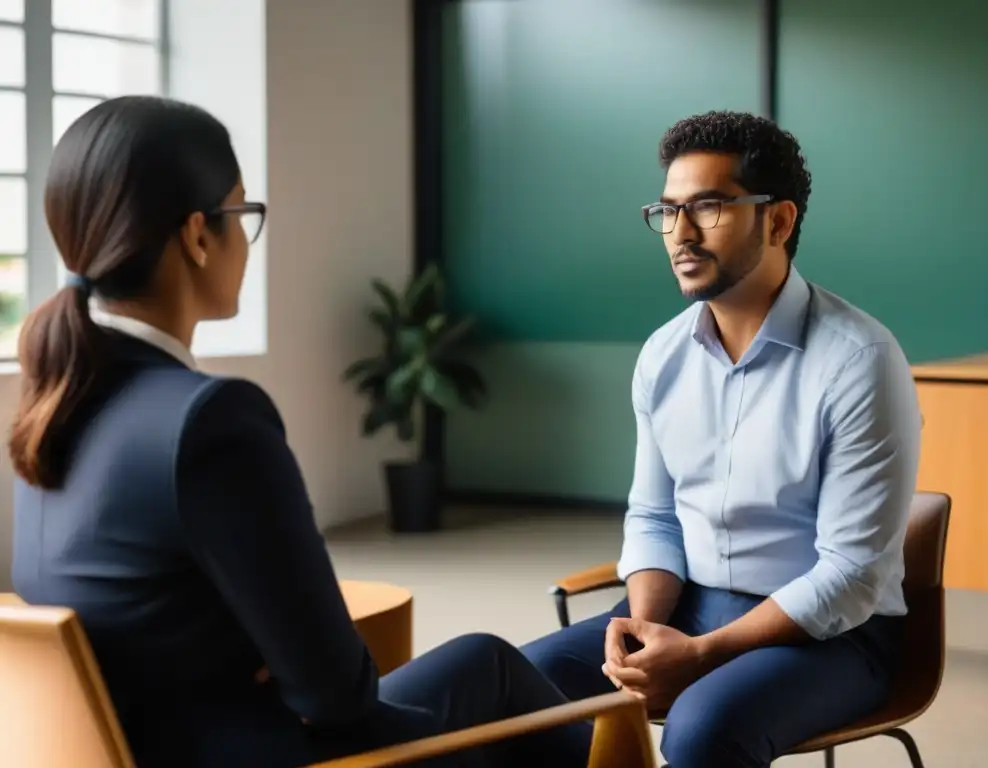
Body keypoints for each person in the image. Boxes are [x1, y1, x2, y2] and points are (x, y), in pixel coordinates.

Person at [8, 95, 591, 768]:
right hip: (278, 752)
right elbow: (338, 695)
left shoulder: (52, 401)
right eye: (242, 214)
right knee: (507, 695)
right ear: (198, 236)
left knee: (481, 661)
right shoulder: (207, 419)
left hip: (168, 740)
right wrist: (277, 657)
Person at [520, 110, 922, 768]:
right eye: (668, 211)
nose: (680, 233)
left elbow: (851, 577)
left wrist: (703, 655)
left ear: (779, 221)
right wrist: (649, 625)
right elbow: (654, 515)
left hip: (831, 636)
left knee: (706, 728)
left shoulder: (859, 360)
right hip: (690, 604)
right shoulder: (663, 354)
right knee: (521, 690)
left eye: (707, 207)